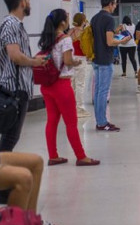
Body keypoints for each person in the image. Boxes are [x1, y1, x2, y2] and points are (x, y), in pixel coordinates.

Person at [0, 0, 48, 205]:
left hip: (18, 88)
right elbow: (15, 56)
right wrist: (34, 61)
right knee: (9, 138)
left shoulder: (16, 25)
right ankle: (1, 186)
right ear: (22, 1)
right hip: (13, 90)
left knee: (10, 138)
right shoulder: (10, 24)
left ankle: (2, 185)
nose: (30, 2)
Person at [38, 9, 100, 167]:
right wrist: (76, 62)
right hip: (61, 86)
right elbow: (67, 60)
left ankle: (53, 155)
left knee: (52, 121)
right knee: (71, 123)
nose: (68, 20)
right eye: (66, 18)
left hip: (47, 85)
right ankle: (81, 156)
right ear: (62, 22)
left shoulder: (47, 38)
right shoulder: (64, 39)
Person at [90, 0, 131, 132]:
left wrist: (115, 31)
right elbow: (109, 41)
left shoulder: (95, 18)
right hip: (105, 60)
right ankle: (102, 123)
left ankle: (99, 121)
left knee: (97, 92)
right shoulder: (109, 18)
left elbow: (101, 37)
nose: (116, 6)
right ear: (110, 3)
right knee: (103, 92)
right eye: (115, 3)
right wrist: (122, 40)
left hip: (96, 59)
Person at [68, 13, 91, 118]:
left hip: (71, 58)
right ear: (83, 21)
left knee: (71, 84)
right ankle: (79, 108)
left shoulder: (70, 31)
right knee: (80, 84)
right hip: (81, 59)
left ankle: (71, 107)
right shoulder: (83, 33)